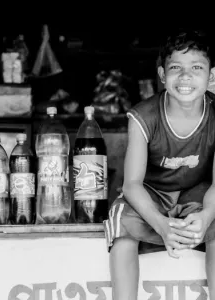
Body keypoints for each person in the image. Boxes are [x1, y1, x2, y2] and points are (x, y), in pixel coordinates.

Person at [103, 28, 215, 300]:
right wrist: (161, 225)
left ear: (211, 76)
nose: (185, 76)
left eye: (197, 67)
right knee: (121, 227)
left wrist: (207, 216)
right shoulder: (143, 116)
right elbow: (131, 185)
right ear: (163, 75)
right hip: (150, 195)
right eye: (175, 67)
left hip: (198, 194)